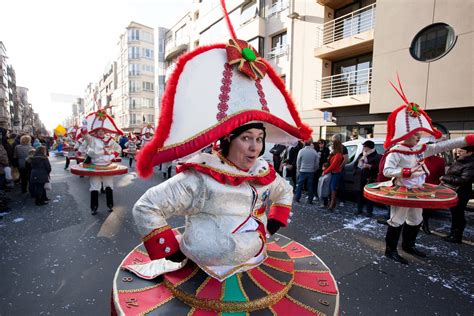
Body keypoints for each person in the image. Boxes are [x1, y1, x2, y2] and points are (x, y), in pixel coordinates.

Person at [378, 77, 474, 265]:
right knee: (396, 220)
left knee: (416, 219)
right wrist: (406, 173)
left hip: (418, 191)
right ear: (404, 134)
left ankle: (408, 245)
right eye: (415, 134)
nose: (418, 137)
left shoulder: (421, 148)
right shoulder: (396, 151)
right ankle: (390, 250)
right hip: (401, 191)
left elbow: (444, 145)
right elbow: (388, 170)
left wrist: (467, 140)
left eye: (419, 134)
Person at [81, 112, 122, 215]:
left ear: (105, 131)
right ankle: (94, 207)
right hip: (94, 166)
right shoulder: (92, 140)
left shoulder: (110, 140)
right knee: (94, 187)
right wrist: (84, 126)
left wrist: (112, 156)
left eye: (102, 130)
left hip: (107, 166)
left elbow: (119, 148)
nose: (100, 132)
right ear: (96, 131)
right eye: (99, 131)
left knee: (109, 185)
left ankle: (110, 205)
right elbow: (85, 135)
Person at [440, 146, 474, 243]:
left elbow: (463, 180)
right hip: (455, 191)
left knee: (458, 214)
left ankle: (457, 236)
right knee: (455, 213)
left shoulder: (470, 164)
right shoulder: (461, 160)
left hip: (461, 192)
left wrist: (445, 178)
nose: (458, 153)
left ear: (469, 153)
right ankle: (453, 234)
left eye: (461, 151)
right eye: (458, 151)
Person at [354, 140, 381, 216]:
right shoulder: (361, 154)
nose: (363, 147)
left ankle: (369, 212)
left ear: (369, 147)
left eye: (365, 146)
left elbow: (378, 167)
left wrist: (370, 166)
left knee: (369, 196)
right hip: (359, 178)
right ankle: (359, 209)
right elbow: (356, 164)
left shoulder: (376, 156)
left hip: (369, 178)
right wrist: (356, 171)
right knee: (359, 195)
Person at [421, 151, 445, 234]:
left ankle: (425, 224)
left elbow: (441, 174)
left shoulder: (440, 160)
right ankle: (421, 224)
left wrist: (438, 186)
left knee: (427, 208)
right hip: (419, 187)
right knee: (418, 207)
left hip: (432, 188)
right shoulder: (418, 159)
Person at [294, 139, 320, 204]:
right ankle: (310, 200)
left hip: (302, 170)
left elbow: (298, 162)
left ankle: (297, 198)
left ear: (304, 144)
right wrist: (315, 169)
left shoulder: (301, 151)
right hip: (311, 171)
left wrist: (298, 170)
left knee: (300, 185)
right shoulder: (314, 152)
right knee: (310, 186)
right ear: (311, 143)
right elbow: (317, 162)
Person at [322, 140, 344, 210]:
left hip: (336, 173)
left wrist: (325, 172)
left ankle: (332, 203)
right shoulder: (335, 153)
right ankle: (331, 202)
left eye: (332, 144)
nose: (331, 145)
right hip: (333, 172)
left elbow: (333, 166)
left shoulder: (338, 155)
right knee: (331, 187)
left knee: (333, 188)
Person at [332, 134, 349, 207]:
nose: (332, 141)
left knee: (341, 185)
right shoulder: (334, 148)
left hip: (340, 170)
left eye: (333, 140)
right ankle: (334, 199)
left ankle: (342, 200)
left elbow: (346, 159)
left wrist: (340, 167)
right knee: (334, 185)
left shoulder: (343, 148)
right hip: (334, 169)